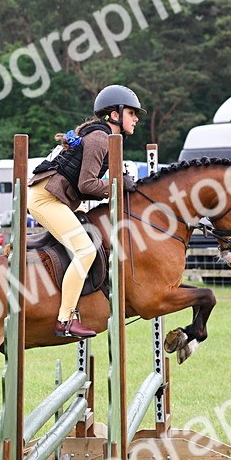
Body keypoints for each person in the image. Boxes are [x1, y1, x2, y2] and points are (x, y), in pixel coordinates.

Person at [28, 84, 145, 337]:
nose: (136, 119)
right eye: (132, 113)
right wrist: (117, 184)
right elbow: (87, 184)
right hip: (45, 200)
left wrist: (118, 184)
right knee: (85, 250)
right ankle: (66, 319)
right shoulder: (100, 139)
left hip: (58, 198)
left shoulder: (108, 139)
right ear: (115, 114)